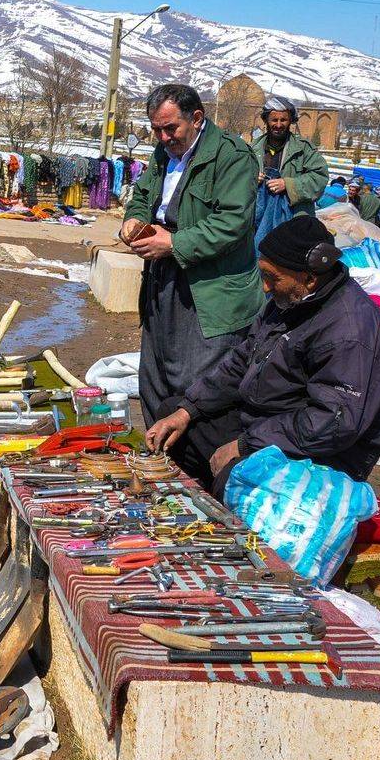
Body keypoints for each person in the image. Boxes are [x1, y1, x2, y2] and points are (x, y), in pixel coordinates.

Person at [146, 215, 380, 493]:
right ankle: (213, 490)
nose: (265, 287)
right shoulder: (290, 301)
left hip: (323, 454)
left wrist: (245, 445)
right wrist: (188, 410)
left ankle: (227, 501)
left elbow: (332, 424)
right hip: (267, 425)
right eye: (263, 275)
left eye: (273, 278)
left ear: (310, 279)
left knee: (236, 476)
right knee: (174, 419)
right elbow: (240, 363)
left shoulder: (349, 333)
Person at [120, 83, 262, 487]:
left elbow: (232, 223)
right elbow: (142, 196)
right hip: (162, 279)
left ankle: (198, 482)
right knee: (155, 377)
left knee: (196, 386)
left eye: (171, 128)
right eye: (157, 130)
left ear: (197, 118)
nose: (164, 138)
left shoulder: (233, 157)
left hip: (211, 290)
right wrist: (134, 220)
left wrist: (174, 243)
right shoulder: (162, 154)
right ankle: (161, 469)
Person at [250, 95, 328, 250]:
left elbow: (320, 178)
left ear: (290, 121)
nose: (278, 125)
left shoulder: (304, 149)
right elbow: (235, 180)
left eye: (283, 120)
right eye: (274, 120)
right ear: (266, 120)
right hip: (257, 220)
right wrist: (250, 179)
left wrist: (288, 184)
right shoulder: (253, 149)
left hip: (293, 220)